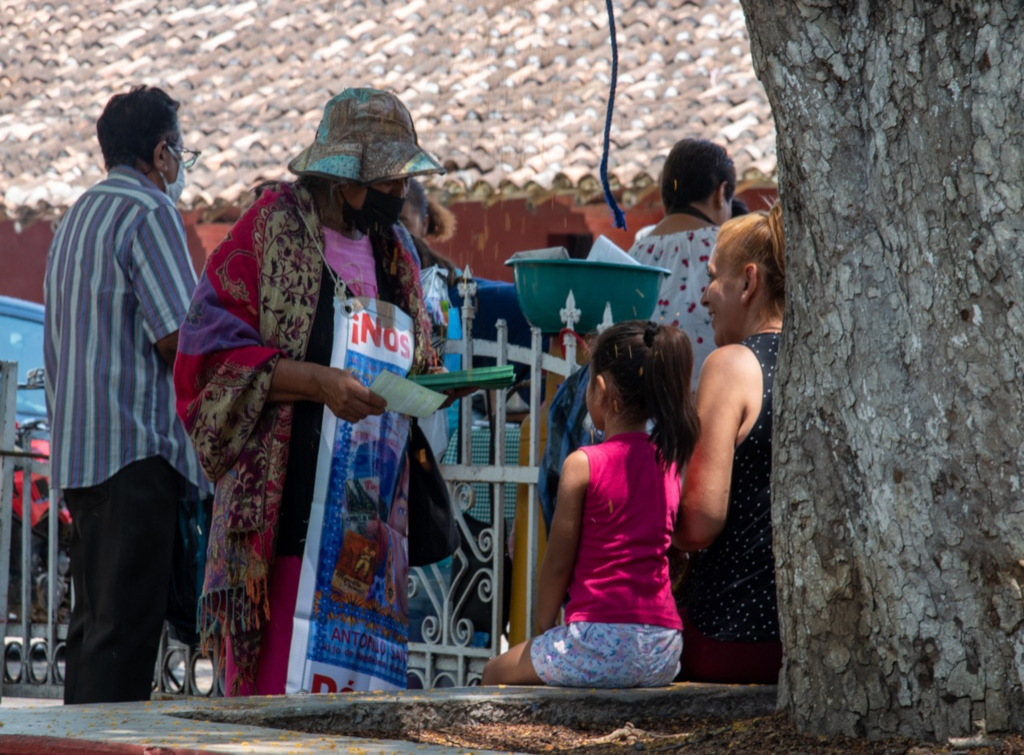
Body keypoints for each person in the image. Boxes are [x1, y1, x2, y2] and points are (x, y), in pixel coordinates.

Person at [173, 88, 458, 696]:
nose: (399, 191)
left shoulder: (396, 251)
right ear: (344, 176)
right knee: (276, 698)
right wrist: (320, 384)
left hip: (370, 519)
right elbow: (207, 355)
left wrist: (433, 388)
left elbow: (419, 353)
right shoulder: (269, 230)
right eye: (387, 177)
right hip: (283, 514)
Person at [43, 85, 208, 704]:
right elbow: (180, 339)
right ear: (162, 155)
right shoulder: (151, 211)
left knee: (94, 634)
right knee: (124, 641)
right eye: (182, 152)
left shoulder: (77, 215)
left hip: (81, 458)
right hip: (134, 455)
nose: (182, 167)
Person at [481, 320, 700, 688]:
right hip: (664, 647)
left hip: (599, 643)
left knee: (493, 673)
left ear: (600, 390)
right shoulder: (668, 463)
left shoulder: (582, 465)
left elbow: (557, 565)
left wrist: (544, 628)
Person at [672, 203, 786, 684]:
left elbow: (699, 523)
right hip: (798, 640)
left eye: (714, 277)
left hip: (731, 633)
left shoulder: (731, 364)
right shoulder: (823, 361)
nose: (704, 296)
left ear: (748, 282)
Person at [628, 138, 735, 382]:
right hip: (716, 405)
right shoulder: (728, 249)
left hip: (642, 411)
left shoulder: (632, 255)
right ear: (721, 194)